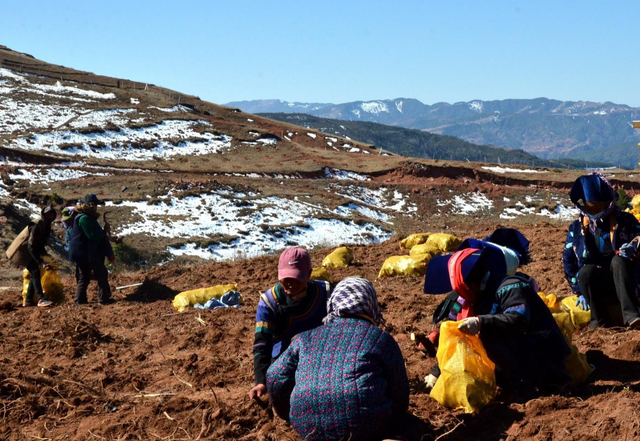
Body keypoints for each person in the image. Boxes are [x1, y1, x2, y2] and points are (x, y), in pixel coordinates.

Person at [267, 277, 409, 441]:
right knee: (416, 427)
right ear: (371, 304)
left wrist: (288, 413)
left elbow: (274, 375)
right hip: (366, 424)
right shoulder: (380, 338)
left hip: (307, 427)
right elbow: (399, 392)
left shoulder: (305, 338)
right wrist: (395, 422)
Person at [425, 247, 570, 389]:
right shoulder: (475, 298)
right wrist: (435, 367)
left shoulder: (511, 287)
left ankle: (526, 385)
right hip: (521, 354)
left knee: (486, 334)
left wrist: (480, 322)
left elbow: (518, 320)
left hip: (545, 358)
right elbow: (456, 333)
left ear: (473, 282)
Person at [249, 247, 330, 399]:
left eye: (296, 278)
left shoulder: (326, 293)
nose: (290, 283)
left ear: (309, 274)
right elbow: (262, 343)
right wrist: (261, 381)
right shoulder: (269, 302)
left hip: (322, 357)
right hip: (285, 361)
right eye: (286, 278)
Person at [563, 173, 640, 330]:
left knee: (618, 261)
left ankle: (632, 316)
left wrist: (634, 247)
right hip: (596, 283)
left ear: (608, 203)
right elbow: (568, 260)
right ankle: (598, 321)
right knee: (585, 271)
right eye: (590, 207)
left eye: (598, 207)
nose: (594, 211)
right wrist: (577, 289)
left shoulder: (625, 221)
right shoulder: (577, 228)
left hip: (625, 280)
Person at [68, 194, 115, 305]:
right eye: (94, 204)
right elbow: (92, 236)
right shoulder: (85, 218)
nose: (96, 207)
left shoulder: (84, 217)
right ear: (90, 205)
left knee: (84, 276)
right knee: (101, 273)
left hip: (82, 253)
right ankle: (103, 299)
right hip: (84, 253)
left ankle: (80, 300)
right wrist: (104, 231)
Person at [24, 205, 57, 307]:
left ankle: (29, 300)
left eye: (51, 214)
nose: (50, 216)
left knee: (35, 274)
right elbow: (30, 246)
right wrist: (40, 261)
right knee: (35, 272)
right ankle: (41, 299)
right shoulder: (37, 225)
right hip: (26, 252)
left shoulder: (47, 225)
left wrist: (44, 254)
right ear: (44, 214)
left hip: (34, 252)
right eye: (48, 214)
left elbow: (40, 243)